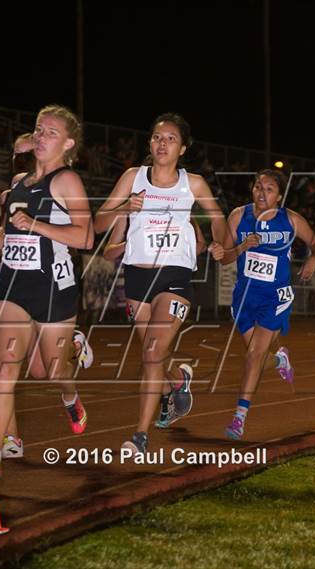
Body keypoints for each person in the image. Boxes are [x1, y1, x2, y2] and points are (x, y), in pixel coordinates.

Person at [95, 112, 226, 454]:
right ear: (149, 143)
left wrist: (220, 243)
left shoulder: (192, 184)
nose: (162, 143)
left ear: (183, 148)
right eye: (156, 137)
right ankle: (174, 386)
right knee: (155, 355)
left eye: (170, 138)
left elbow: (217, 218)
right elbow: (98, 225)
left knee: (152, 352)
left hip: (175, 276)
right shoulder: (132, 178)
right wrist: (125, 205)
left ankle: (139, 435)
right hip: (137, 278)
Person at [0, 105, 94, 474]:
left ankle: (70, 390)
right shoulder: (17, 183)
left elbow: (86, 236)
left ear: (68, 143)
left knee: (48, 371)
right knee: (4, 366)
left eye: (50, 132)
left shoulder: (67, 182)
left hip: (53, 288)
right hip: (13, 285)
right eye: (38, 130)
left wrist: (36, 225)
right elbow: (8, 233)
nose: (41, 137)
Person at [210, 169, 315, 440]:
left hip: (275, 297)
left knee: (252, 356)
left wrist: (313, 259)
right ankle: (279, 358)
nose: (262, 193)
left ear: (279, 195)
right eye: (258, 187)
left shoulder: (291, 220)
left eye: (269, 189)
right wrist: (238, 249)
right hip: (245, 297)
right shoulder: (239, 216)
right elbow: (225, 258)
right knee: (258, 357)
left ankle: (239, 418)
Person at [103, 213, 207, 429]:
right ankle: (176, 382)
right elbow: (108, 253)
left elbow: (200, 245)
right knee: (151, 353)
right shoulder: (130, 212)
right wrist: (131, 243)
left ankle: (142, 431)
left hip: (171, 282)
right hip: (138, 286)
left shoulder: (181, 208)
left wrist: (172, 255)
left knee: (153, 353)